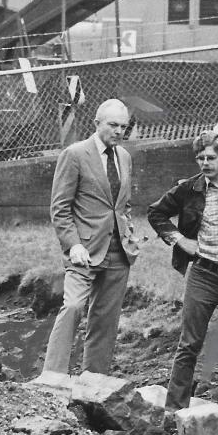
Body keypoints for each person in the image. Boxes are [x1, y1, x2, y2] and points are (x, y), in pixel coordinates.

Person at [147, 130, 218, 424]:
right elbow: (156, 213)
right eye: (200, 158)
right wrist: (178, 240)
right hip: (204, 275)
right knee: (189, 345)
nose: (204, 163)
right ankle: (173, 416)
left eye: (211, 157)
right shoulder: (189, 189)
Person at [41, 99, 138, 379]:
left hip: (118, 252)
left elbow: (123, 204)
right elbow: (60, 208)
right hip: (84, 250)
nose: (119, 131)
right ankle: (53, 377)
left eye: (123, 126)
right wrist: (73, 245)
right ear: (97, 124)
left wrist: (129, 234)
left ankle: (94, 382)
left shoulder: (124, 157)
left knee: (105, 319)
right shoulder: (75, 154)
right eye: (113, 125)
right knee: (72, 307)